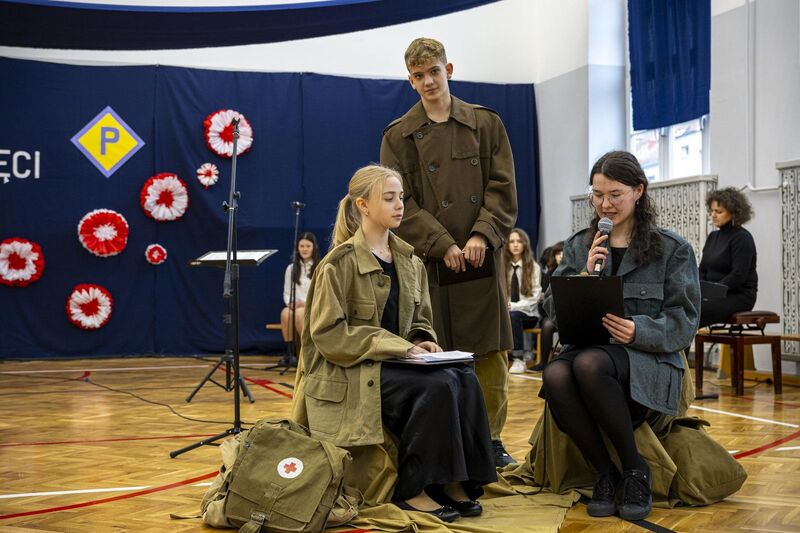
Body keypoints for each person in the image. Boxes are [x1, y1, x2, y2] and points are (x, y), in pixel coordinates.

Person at [291, 165, 496, 523]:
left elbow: (420, 319)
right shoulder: (336, 265)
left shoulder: (409, 261)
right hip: (349, 371)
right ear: (363, 205)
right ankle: (413, 490)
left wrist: (422, 340)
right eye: (389, 198)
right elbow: (329, 336)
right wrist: (397, 347)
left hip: (396, 364)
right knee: (435, 387)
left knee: (464, 377)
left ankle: (455, 481)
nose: (399, 205)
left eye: (400, 196)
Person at [380, 37, 518, 467]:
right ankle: (446, 444)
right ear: (410, 81)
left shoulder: (485, 123)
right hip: (429, 263)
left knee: (490, 356)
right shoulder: (398, 135)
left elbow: (503, 187)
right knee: (433, 353)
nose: (428, 81)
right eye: (418, 76)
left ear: (449, 69)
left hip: (482, 257)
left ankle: (492, 442)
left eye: (434, 72)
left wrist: (480, 236)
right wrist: (442, 245)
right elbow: (398, 201)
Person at [540, 151, 700, 521]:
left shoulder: (672, 249)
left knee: (589, 364)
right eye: (597, 195)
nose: (604, 205)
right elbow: (551, 309)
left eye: (615, 194)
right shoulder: (581, 245)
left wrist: (638, 330)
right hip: (589, 353)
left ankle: (634, 469)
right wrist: (581, 277)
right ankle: (604, 473)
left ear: (638, 191)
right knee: (557, 372)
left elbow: (684, 320)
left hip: (648, 362)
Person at [698, 187, 758, 328]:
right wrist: (700, 290)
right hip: (714, 295)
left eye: (719, 211)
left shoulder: (742, 237)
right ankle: (677, 350)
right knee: (681, 310)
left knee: (693, 312)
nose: (713, 215)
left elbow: (738, 275)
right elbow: (703, 269)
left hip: (738, 296)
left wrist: (713, 292)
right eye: (712, 211)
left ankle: (678, 350)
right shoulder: (713, 237)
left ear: (734, 213)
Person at [503, 228, 541, 374]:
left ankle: (519, 359)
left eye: (519, 241)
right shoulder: (503, 267)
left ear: (525, 244)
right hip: (508, 313)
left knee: (514, 315)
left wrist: (512, 306)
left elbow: (534, 298)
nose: (515, 244)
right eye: (512, 241)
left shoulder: (533, 267)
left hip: (529, 315)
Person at [280, 232, 319, 347]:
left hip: (313, 306)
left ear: (314, 247)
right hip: (297, 307)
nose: (304, 249)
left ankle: (307, 350)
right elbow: (287, 292)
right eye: (301, 246)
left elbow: (322, 293)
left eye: (308, 246)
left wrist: (306, 303)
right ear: (297, 248)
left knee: (300, 314)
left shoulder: (320, 267)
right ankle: (290, 352)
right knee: (285, 313)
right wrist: (291, 303)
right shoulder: (291, 268)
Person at [530, 241, 562, 371]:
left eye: (563, 253)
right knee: (547, 325)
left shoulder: (577, 270)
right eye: (558, 254)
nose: (561, 256)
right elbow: (542, 296)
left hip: (570, 312)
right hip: (550, 312)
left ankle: (563, 359)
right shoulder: (549, 274)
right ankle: (543, 362)